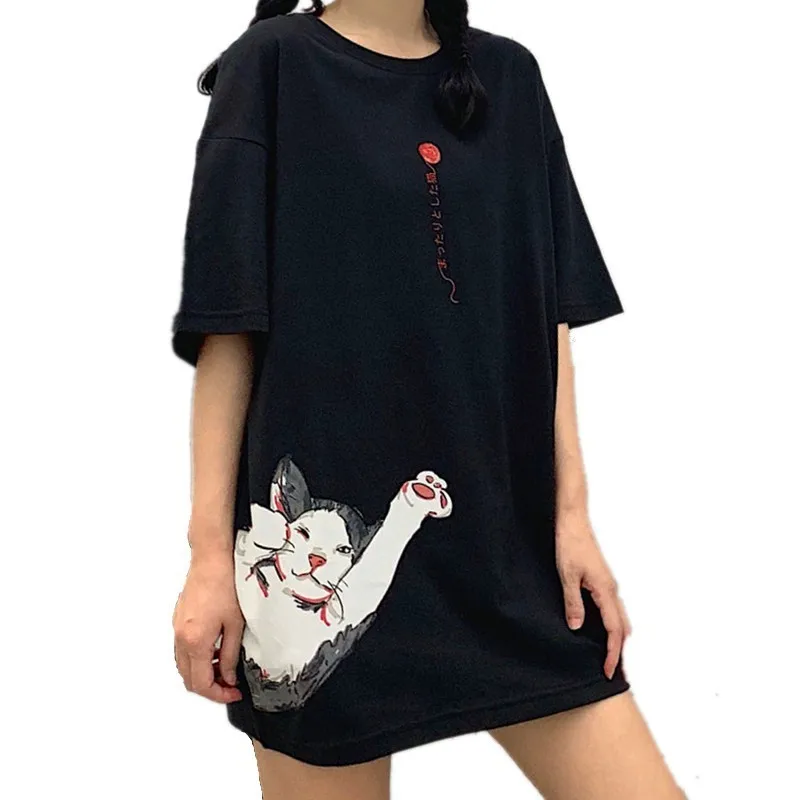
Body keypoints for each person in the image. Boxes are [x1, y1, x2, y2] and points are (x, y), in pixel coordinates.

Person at [170, 1, 686, 797]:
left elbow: (545, 315)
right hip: (319, 574)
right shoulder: (271, 65)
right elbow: (228, 329)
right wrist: (209, 558)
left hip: (504, 553)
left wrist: (573, 516)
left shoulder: (509, 76)